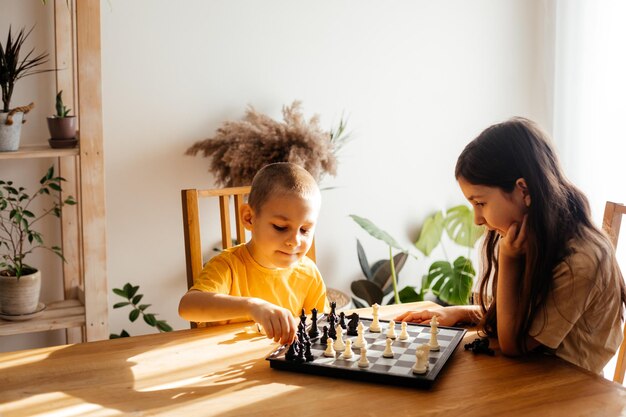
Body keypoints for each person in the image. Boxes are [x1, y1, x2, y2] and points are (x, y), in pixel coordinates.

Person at [395, 117, 626, 374]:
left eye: (480, 203)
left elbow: (514, 344)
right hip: (532, 377)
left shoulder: (582, 260)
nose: (477, 219)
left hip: (571, 394)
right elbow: (519, 316)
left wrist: (508, 261)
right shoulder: (537, 236)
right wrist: (460, 312)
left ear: (522, 190)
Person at [178, 162, 329, 345]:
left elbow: (322, 324)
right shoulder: (228, 266)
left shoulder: (309, 273)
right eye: (280, 227)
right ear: (248, 217)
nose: (294, 241)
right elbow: (187, 307)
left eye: (304, 230)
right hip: (224, 364)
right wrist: (252, 306)